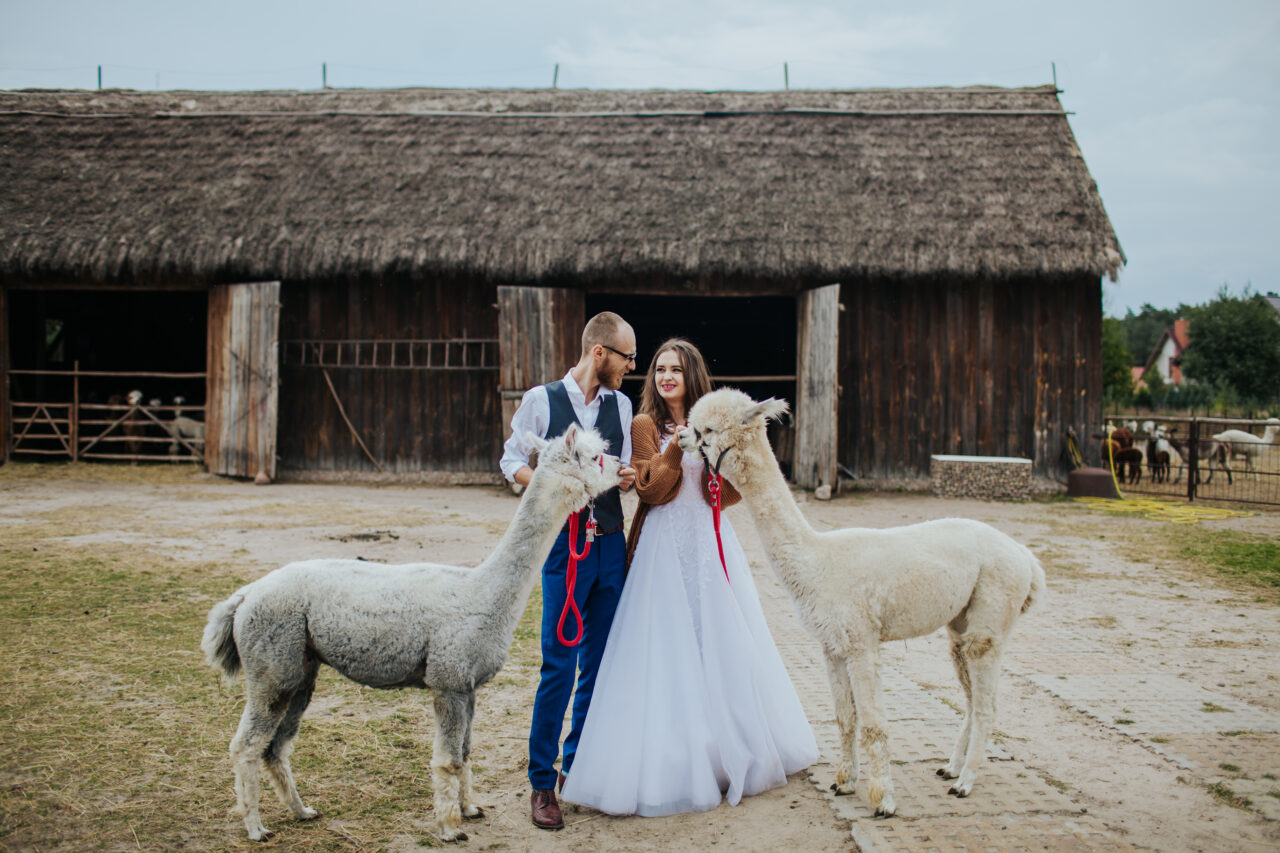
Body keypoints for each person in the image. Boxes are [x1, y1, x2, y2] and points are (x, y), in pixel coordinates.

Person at [561, 338, 818, 817]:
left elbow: (730, 494)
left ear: (692, 375)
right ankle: (678, 758)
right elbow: (651, 490)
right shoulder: (644, 425)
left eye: (676, 369)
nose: (666, 377)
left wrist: (719, 461)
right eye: (660, 369)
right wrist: (678, 451)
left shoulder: (713, 423)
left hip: (708, 543)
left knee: (720, 640)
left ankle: (727, 749)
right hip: (662, 547)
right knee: (667, 646)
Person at [499, 311, 638, 831]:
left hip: (610, 547)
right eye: (627, 357)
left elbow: (617, 470)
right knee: (558, 664)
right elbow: (511, 461)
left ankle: (578, 769)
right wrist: (550, 483)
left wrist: (625, 477)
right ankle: (542, 781)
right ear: (599, 352)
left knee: (599, 665)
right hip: (565, 549)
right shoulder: (542, 400)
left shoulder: (622, 406)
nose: (631, 366)